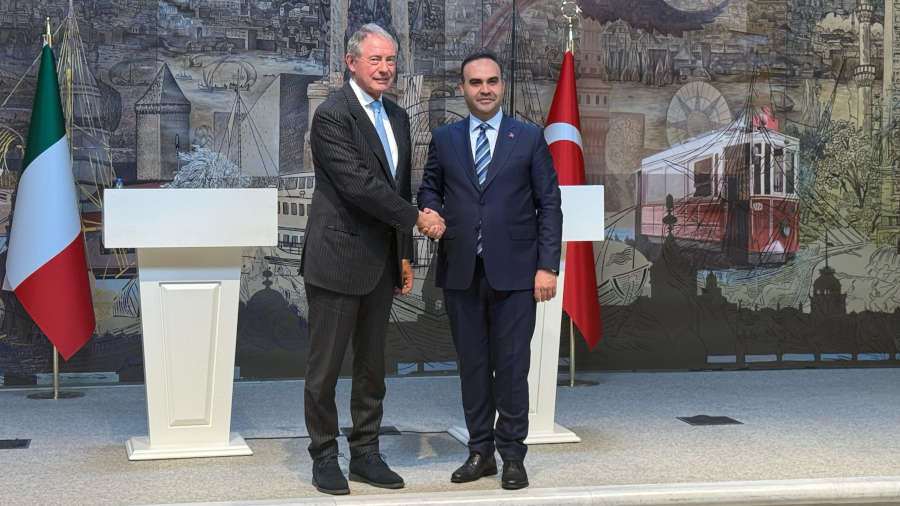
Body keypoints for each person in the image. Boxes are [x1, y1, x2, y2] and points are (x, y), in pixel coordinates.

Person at [301, 23, 444, 495]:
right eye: (375, 59)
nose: (385, 68)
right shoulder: (331, 115)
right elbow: (359, 186)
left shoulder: (398, 116)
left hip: (381, 263)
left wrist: (404, 254)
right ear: (351, 63)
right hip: (336, 258)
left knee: (372, 367)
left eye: (390, 60)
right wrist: (418, 220)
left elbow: (398, 188)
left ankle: (365, 453)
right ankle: (325, 456)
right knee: (324, 370)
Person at [416, 50, 562, 490]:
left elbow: (549, 206)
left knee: (512, 367)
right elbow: (430, 189)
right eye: (476, 82)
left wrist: (547, 267)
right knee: (473, 367)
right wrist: (430, 210)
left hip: (517, 274)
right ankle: (480, 452)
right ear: (463, 88)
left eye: (492, 81)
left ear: (502, 86)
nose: (485, 90)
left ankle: (513, 455)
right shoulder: (444, 138)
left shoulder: (529, 138)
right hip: (461, 270)